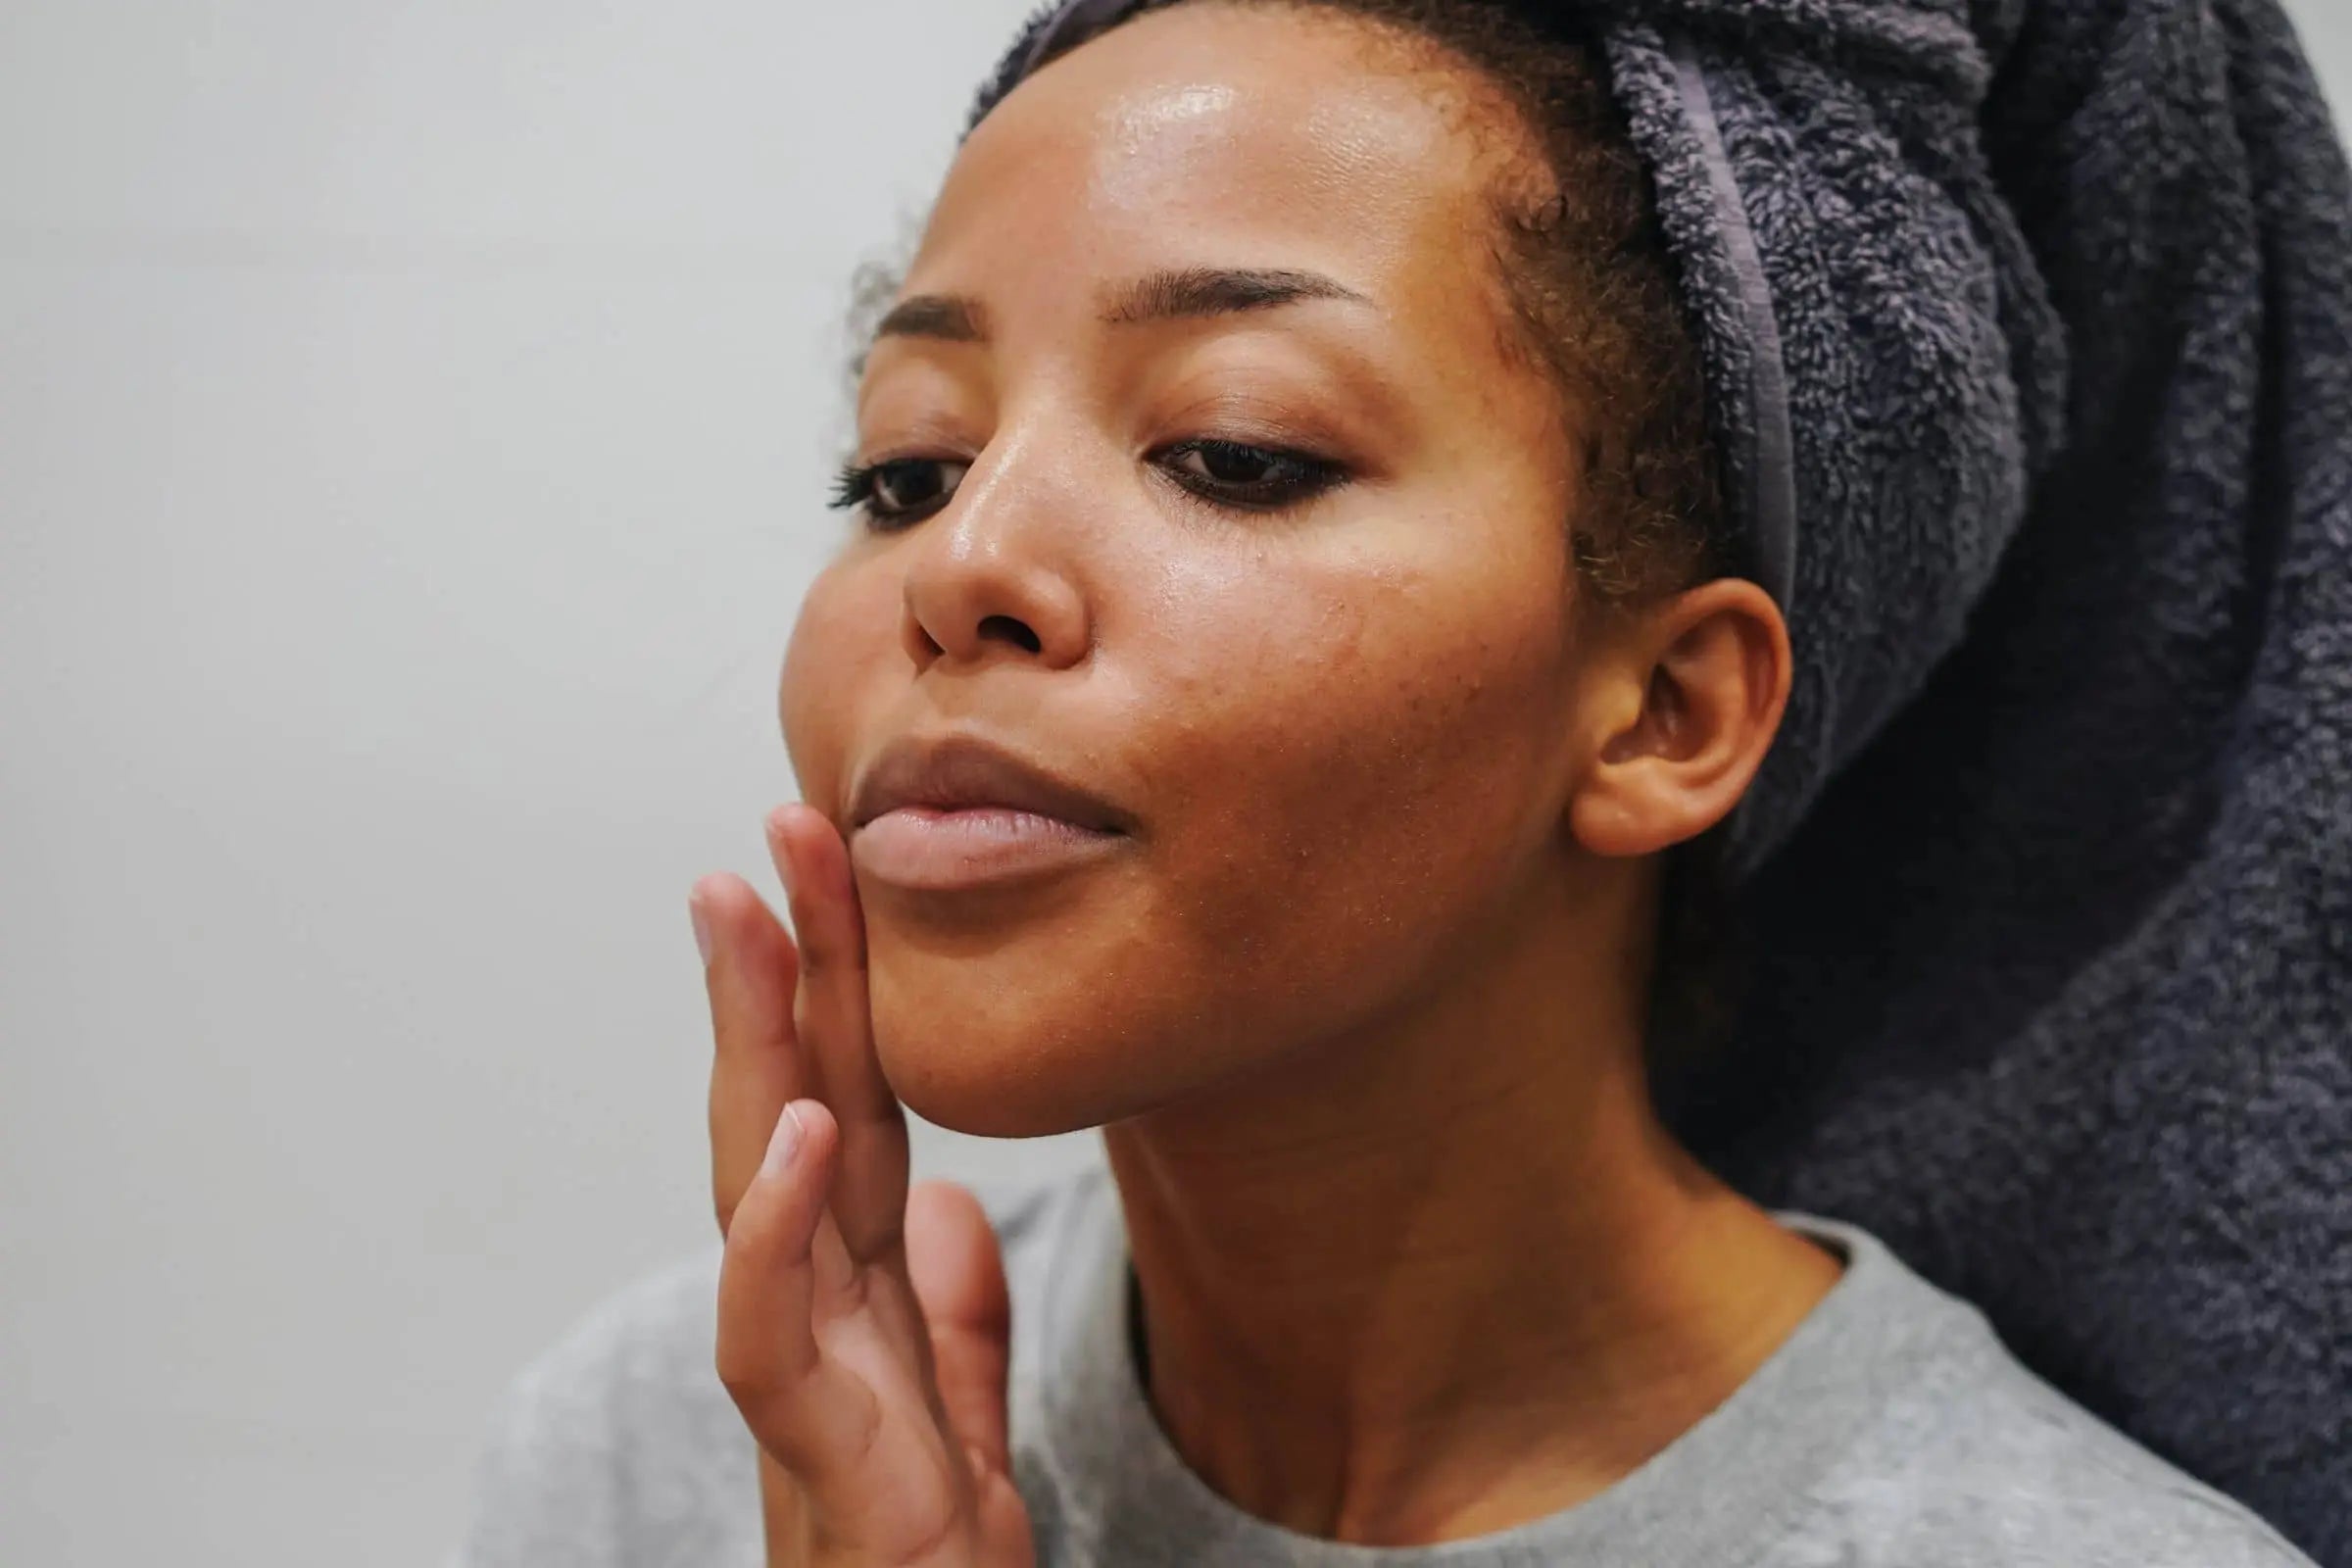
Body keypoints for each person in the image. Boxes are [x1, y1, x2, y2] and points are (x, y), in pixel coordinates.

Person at [456, 2, 2328, 1564]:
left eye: (1233, 451)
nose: (958, 569)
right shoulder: (693, 1459)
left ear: (1669, 710)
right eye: (907, 471)